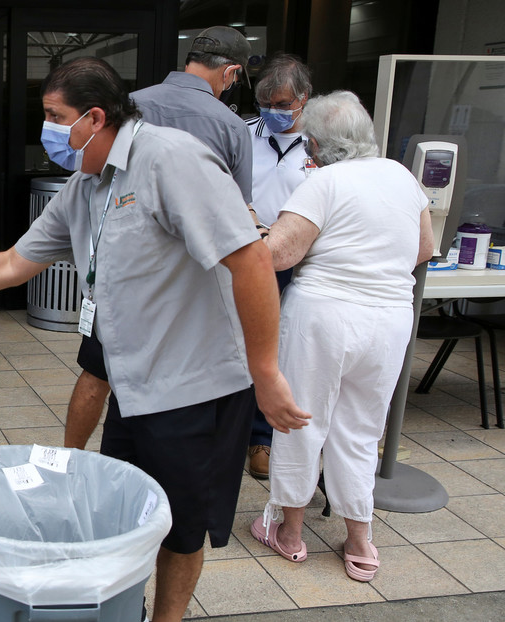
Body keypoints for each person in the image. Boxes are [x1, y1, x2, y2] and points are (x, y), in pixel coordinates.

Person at [0, 57, 309, 622]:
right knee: (124, 516)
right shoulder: (86, 184)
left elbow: (249, 260)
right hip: (135, 386)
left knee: (181, 528)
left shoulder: (170, 160)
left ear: (95, 117)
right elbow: (13, 263)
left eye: (55, 115)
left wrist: (267, 372)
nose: (47, 129)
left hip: (194, 387)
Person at [250, 91, 433, 583]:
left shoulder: (323, 182)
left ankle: (289, 532)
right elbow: (424, 248)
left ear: (318, 143)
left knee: (301, 420)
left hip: (324, 315)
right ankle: (359, 541)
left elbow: (280, 255)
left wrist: (256, 230)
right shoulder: (401, 175)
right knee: (361, 429)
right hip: (390, 318)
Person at [64, 25, 256, 450]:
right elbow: (240, 219)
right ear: (232, 73)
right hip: (187, 293)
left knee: (98, 375)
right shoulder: (230, 125)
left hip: (115, 274)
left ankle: (71, 461)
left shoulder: (131, 106)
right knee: (175, 394)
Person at [243, 54, 313, 479]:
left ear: (303, 99)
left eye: (283, 104)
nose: (273, 111)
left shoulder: (322, 143)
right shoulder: (244, 134)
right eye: (265, 103)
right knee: (243, 345)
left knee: (282, 348)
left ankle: (263, 439)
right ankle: (234, 429)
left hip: (299, 260)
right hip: (249, 253)